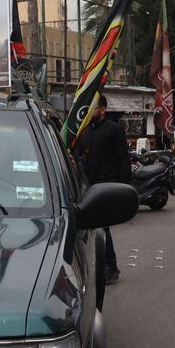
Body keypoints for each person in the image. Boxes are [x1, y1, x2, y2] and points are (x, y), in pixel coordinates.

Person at [74, 94, 131, 282]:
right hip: (88, 185)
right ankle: (99, 265)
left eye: (92, 108)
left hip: (107, 185)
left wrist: (124, 187)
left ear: (102, 110)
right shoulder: (85, 132)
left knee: (101, 227)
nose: (88, 112)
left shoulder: (114, 130)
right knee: (92, 229)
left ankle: (110, 266)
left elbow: (124, 158)